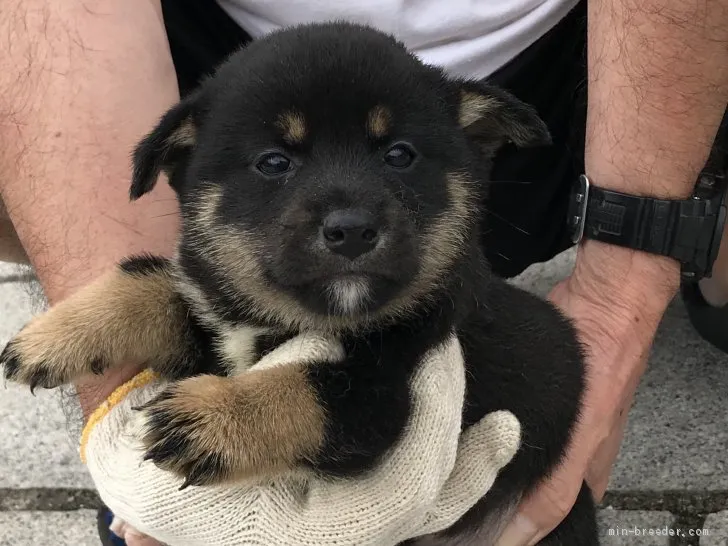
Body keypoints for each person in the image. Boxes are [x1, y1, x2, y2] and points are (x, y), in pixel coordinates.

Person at [0, 0, 725, 545]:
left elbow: (363, 408)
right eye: (275, 164)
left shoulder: (426, 311)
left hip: (500, 510)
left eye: (397, 156)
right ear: (181, 160)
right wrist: (113, 401)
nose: (346, 217)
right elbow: (174, 300)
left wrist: (623, 282)